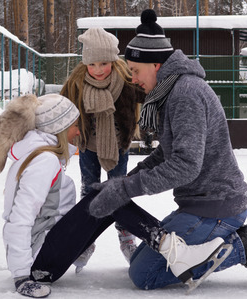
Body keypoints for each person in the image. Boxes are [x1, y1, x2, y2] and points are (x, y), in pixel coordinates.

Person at [89, 9, 247, 291]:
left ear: (155, 64)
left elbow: (184, 165)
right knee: (139, 263)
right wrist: (125, 181)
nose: (132, 78)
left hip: (216, 208)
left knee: (144, 275)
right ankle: (226, 241)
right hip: (199, 206)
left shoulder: (185, 94)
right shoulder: (171, 92)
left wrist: (126, 189)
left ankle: (245, 244)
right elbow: (167, 153)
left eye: (134, 70)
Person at [0, 94, 228, 298]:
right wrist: (21, 276)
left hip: (46, 252)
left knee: (108, 194)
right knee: (107, 196)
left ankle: (172, 249)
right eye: (73, 126)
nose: (78, 131)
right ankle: (176, 251)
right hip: (39, 264)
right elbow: (19, 219)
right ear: (58, 129)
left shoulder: (42, 157)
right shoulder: (43, 162)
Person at [60, 27, 146, 262]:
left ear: (112, 60)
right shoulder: (77, 82)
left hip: (118, 147)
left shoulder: (126, 80)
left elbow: (150, 93)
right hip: (88, 146)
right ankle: (86, 238)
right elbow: (62, 108)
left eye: (103, 64)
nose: (98, 70)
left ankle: (126, 235)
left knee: (119, 191)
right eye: (92, 65)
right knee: (89, 191)